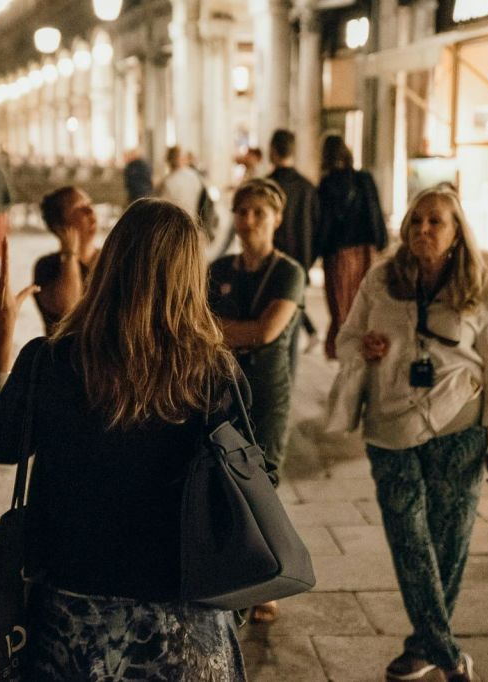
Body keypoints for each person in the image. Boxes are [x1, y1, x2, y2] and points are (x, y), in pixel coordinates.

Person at [0, 198, 248, 680]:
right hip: (185, 619)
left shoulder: (49, 361)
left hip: (73, 619)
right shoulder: (214, 372)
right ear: (189, 276)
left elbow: (1, 444)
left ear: (112, 263)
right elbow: (254, 475)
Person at [334, 186, 488, 681]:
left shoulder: (482, 287)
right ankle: (448, 654)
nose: (423, 230)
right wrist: (363, 345)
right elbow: (345, 338)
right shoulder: (380, 278)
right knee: (410, 540)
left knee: (449, 542)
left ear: (456, 235)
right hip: (389, 426)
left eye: (435, 222)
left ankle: (424, 645)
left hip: (460, 425)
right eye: (416, 221)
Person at [208, 179, 305, 623]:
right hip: (221, 388)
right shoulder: (219, 269)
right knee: (221, 475)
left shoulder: (288, 272)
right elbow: (200, 325)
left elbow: (266, 332)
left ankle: (268, 579)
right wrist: (229, 331)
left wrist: (221, 331)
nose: (248, 222)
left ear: (276, 219)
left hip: (267, 390)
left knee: (263, 479)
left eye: (258, 214)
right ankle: (233, 572)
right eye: (242, 212)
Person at [318, 134, 387, 359]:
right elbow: (375, 212)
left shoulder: (327, 184)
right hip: (366, 252)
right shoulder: (364, 179)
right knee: (366, 304)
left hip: (338, 256)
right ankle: (363, 354)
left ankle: (347, 356)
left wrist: (321, 250)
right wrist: (381, 242)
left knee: (342, 309)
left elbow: (324, 224)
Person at [268, 129, 321, 362]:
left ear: (272, 150)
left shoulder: (269, 185)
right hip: (302, 258)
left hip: (273, 259)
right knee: (294, 308)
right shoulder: (308, 187)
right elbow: (317, 226)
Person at [32, 186, 100, 334]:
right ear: (60, 227)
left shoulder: (110, 258)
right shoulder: (46, 266)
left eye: (90, 204)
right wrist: (70, 255)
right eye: (80, 208)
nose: (90, 211)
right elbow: (69, 307)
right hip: (62, 354)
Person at [155, 145, 205, 218]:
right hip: (193, 218)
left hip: (175, 221)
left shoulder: (168, 182)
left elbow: (162, 206)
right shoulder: (194, 176)